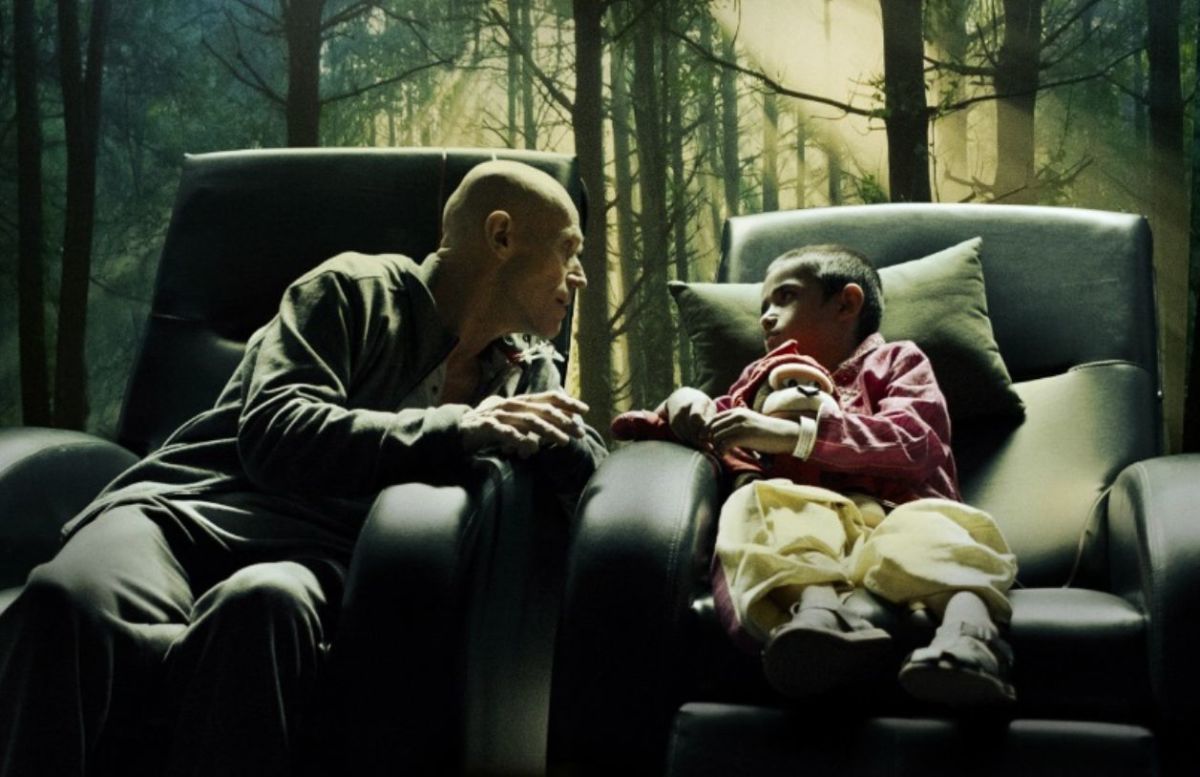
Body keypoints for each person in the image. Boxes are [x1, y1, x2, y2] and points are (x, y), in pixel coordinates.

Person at [0, 159, 607, 776]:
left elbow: (585, 485)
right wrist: (459, 427)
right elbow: (276, 431)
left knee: (264, 604)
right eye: (568, 250)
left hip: (317, 558)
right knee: (64, 600)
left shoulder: (526, 371)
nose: (579, 275)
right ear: (501, 236)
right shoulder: (352, 289)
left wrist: (608, 439)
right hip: (187, 512)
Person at [613, 244, 1017, 706]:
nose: (766, 317)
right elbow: (705, 429)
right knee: (761, 504)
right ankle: (819, 619)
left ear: (846, 303)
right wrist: (682, 402)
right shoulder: (757, 385)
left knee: (936, 535)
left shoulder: (897, 361)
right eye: (763, 306)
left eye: (784, 297)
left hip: (899, 511)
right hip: (817, 526)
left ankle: (971, 640)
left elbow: (915, 441)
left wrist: (795, 435)